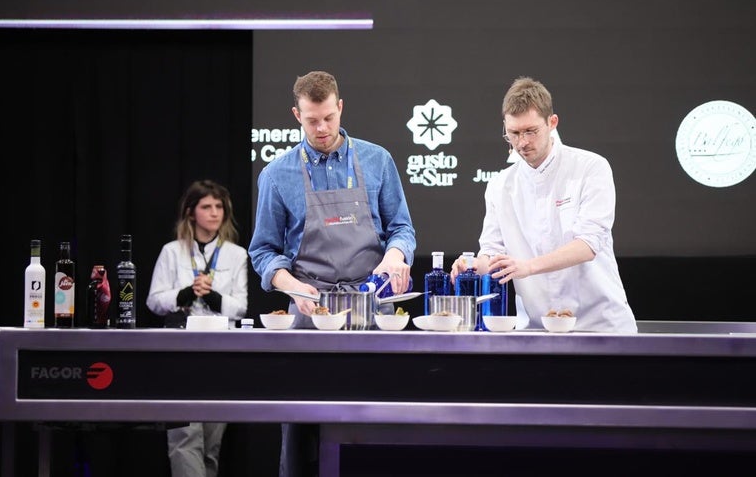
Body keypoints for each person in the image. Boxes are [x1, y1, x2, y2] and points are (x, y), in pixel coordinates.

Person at [249, 70, 416, 476]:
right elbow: (263, 252)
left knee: (373, 422)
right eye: (311, 120)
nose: (321, 128)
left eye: (328, 117)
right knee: (302, 428)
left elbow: (402, 229)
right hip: (310, 314)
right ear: (296, 115)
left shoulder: (377, 160)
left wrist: (395, 256)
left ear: (340, 107)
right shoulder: (277, 174)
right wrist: (292, 285)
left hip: (371, 310)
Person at [451, 76, 637, 333]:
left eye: (530, 131)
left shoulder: (591, 167)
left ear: (552, 123)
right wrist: (472, 265)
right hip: (537, 327)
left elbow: (588, 244)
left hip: (599, 323)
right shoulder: (500, 185)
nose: (522, 143)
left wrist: (528, 266)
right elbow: (492, 252)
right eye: (513, 133)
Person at [146, 179, 249, 477]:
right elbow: (154, 301)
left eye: (219, 207)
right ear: (191, 212)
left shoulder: (236, 254)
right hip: (181, 350)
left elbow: (241, 307)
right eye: (207, 207)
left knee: (211, 442)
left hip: (222, 351)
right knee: (184, 436)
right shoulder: (171, 251)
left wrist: (212, 295)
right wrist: (187, 293)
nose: (214, 213)